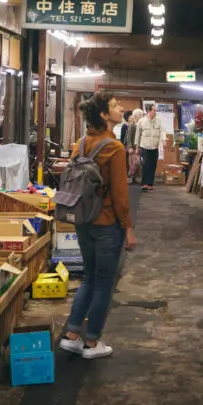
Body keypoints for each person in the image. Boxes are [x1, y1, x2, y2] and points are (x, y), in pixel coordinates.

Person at [60, 92, 137, 360]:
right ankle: (92, 343)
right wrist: (128, 227)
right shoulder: (113, 148)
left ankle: (71, 336)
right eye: (116, 106)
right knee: (104, 283)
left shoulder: (80, 145)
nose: (121, 108)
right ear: (104, 115)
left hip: (83, 221)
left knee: (89, 278)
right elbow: (119, 193)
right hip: (106, 224)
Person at [135, 103, 163, 192]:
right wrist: (137, 147)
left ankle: (150, 184)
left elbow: (162, 132)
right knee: (145, 165)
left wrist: (163, 140)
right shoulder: (141, 121)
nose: (155, 112)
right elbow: (138, 135)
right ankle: (144, 184)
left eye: (155, 110)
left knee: (153, 165)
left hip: (154, 147)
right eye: (154, 110)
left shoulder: (158, 121)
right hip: (144, 147)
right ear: (148, 111)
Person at [126, 108, 143, 183]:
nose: (141, 116)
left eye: (142, 115)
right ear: (136, 116)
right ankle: (130, 176)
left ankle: (134, 178)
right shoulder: (132, 125)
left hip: (139, 147)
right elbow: (129, 137)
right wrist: (129, 147)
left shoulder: (141, 125)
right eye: (140, 115)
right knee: (133, 163)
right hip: (132, 147)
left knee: (137, 164)